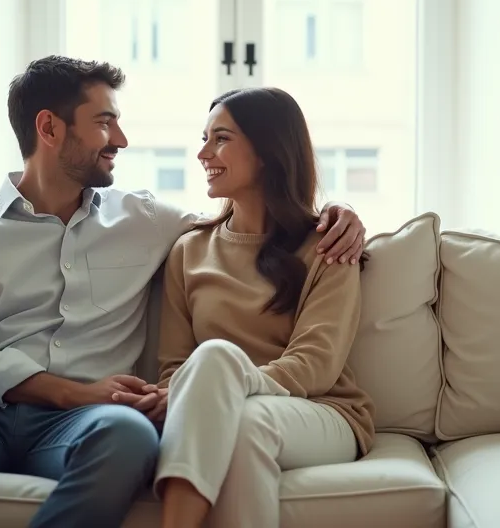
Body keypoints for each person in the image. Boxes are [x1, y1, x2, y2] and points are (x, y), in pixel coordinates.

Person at [0, 55, 367, 528]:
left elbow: (246, 228)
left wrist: (340, 212)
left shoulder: (149, 221)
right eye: (105, 122)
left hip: (87, 426)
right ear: (49, 128)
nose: (122, 140)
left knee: (129, 438)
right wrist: (69, 391)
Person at [143, 87, 375, 528]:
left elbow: (316, 366)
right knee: (245, 424)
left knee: (217, 360)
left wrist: (226, 380)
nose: (202, 153)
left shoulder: (328, 245)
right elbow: (174, 369)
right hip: (241, 411)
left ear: (268, 152)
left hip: (325, 412)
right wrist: (205, 389)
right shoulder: (189, 251)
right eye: (204, 137)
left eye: (221, 138)